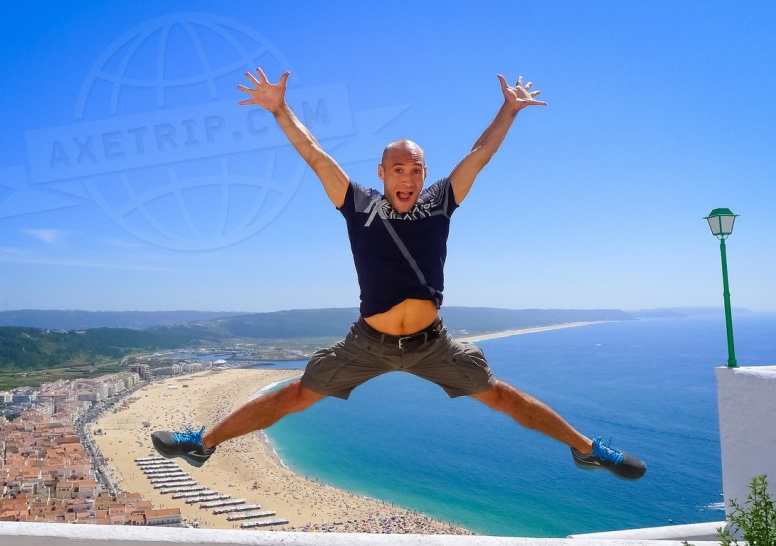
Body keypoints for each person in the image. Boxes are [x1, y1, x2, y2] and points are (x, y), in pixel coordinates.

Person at [152, 68, 646, 480]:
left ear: (424, 175)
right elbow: (316, 155)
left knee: (500, 395)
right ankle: (204, 442)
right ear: (383, 171)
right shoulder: (358, 204)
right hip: (369, 343)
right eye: (398, 169)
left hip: (434, 344)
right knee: (295, 394)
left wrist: (509, 111)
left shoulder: (439, 204)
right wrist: (280, 110)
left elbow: (480, 154)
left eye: (416, 170)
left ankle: (587, 449)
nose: (407, 178)